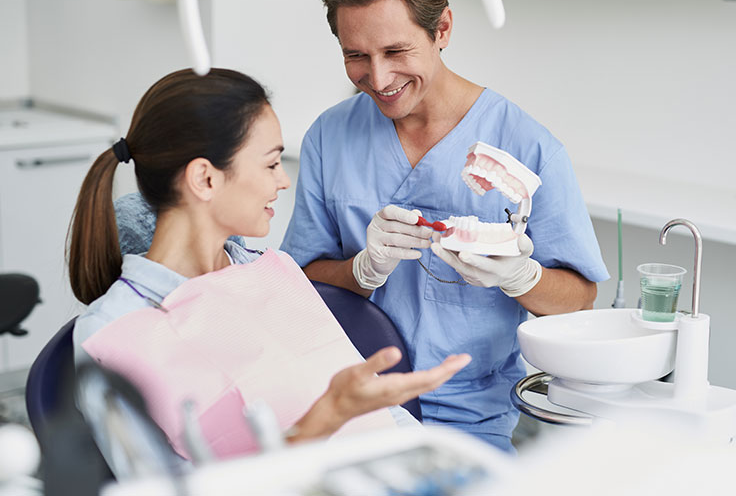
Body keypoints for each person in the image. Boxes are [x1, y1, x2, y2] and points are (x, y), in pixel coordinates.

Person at [278, 0, 609, 452]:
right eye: (356, 56)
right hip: (351, 411)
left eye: (395, 51)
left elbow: (580, 298)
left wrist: (523, 278)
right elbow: (300, 280)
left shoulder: (526, 147)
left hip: (469, 421)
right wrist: (362, 271)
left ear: (443, 29)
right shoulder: (330, 137)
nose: (378, 77)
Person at [67, 68, 470, 464]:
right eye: (271, 164)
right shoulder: (112, 331)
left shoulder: (271, 271)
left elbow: (386, 421)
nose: (283, 181)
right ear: (205, 179)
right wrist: (321, 423)